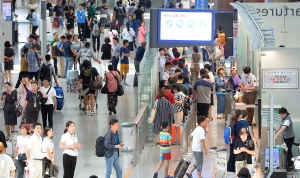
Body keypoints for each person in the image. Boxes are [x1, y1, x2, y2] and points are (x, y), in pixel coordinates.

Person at [274, 107, 295, 172]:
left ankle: (290, 166)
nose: (280, 116)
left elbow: (283, 128)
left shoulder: (287, 119)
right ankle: (290, 165)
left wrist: (276, 135)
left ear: (285, 113)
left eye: (281, 114)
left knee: (288, 152)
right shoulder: (284, 119)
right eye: (280, 114)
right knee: (287, 152)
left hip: (289, 138)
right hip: (286, 138)